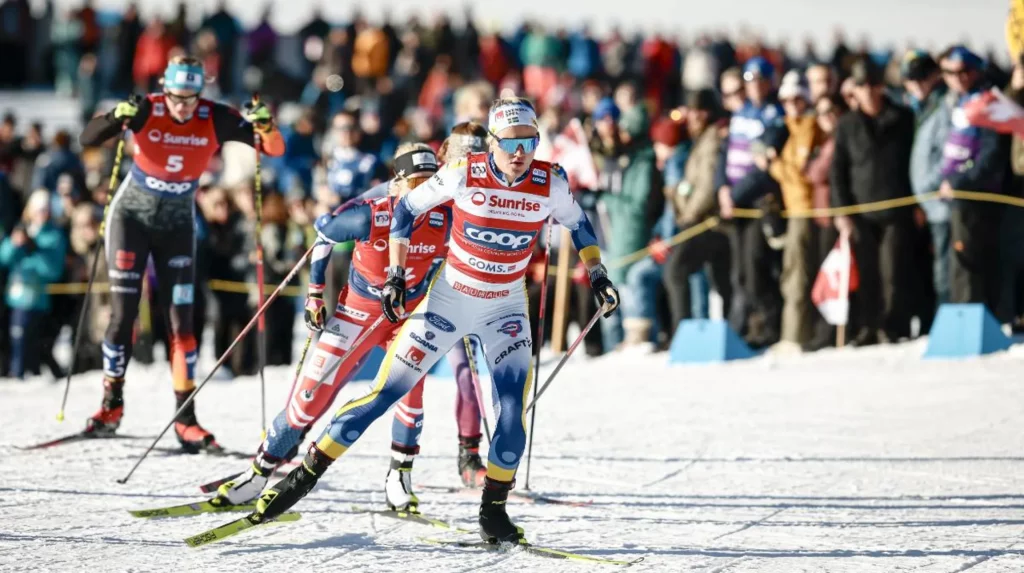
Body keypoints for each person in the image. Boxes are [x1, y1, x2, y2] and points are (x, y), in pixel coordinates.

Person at [251, 96, 619, 545]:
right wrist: (396, 274)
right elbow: (405, 210)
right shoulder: (465, 172)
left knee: (509, 413)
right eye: (510, 143)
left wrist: (597, 272)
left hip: (505, 307)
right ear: (494, 142)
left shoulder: (549, 182)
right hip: (449, 299)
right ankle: (303, 477)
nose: (520, 152)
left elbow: (579, 224)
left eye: (529, 141)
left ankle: (493, 511)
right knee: (386, 392)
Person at [77, 55, 284, 451]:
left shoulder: (214, 115)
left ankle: (186, 418)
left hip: (176, 225)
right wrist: (115, 115)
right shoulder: (147, 108)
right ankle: (110, 405)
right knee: (122, 316)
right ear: (164, 89)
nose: (183, 106)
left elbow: (272, 149)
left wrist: (265, 123)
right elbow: (90, 137)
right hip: (131, 219)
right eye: (176, 97)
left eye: (191, 98)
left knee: (183, 326)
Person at [830, 57, 916, 345]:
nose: (867, 91)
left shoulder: (902, 118)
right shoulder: (847, 124)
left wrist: (917, 205)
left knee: (893, 270)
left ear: (881, 87)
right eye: (861, 86)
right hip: (861, 211)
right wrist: (842, 212)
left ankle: (893, 326)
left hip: (896, 208)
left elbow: (912, 164)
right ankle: (868, 326)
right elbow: (838, 171)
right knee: (867, 273)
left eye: (872, 85)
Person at [0, 190, 67, 379]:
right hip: (15, 297)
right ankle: (16, 375)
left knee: (34, 345)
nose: (42, 214)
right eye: (39, 210)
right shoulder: (23, 228)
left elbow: (53, 270)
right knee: (14, 342)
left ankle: (31, 376)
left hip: (38, 300)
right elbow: (4, 258)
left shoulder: (54, 235)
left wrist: (34, 250)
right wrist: (15, 244)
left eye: (46, 210)